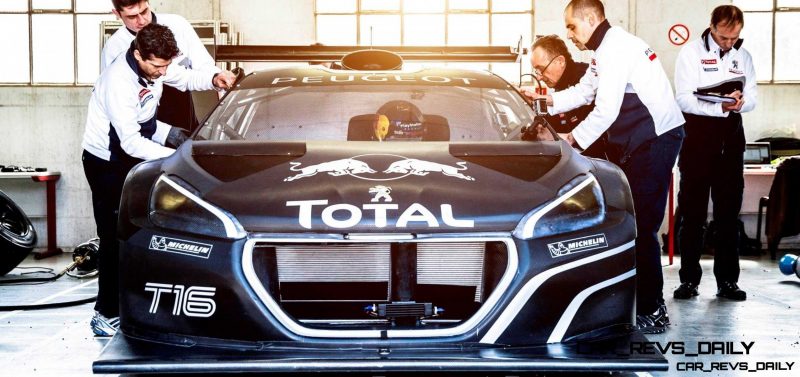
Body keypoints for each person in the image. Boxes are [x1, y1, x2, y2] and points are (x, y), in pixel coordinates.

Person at [524, 0, 685, 334]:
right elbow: (586, 91)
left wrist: (571, 140)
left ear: (589, 18)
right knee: (635, 222)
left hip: (657, 139)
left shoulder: (615, 49)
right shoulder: (604, 49)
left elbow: (606, 110)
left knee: (642, 226)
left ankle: (653, 309)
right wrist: (543, 100)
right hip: (644, 141)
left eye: (571, 26)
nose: (569, 35)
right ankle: (641, 303)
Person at [83, 23, 230, 336]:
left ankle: (140, 304)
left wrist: (214, 78)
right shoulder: (118, 82)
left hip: (132, 150)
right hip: (107, 162)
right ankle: (104, 312)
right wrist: (175, 158)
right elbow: (131, 142)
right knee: (114, 236)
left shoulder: (155, 66)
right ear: (139, 55)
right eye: (158, 66)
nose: (164, 72)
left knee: (146, 231)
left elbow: (183, 80)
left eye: (167, 65)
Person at [672, 5, 757, 301]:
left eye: (734, 38)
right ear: (711, 27)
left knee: (727, 215)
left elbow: (753, 98)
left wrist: (738, 103)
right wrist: (716, 105)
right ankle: (689, 281)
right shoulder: (690, 53)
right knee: (693, 214)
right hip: (697, 140)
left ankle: (727, 282)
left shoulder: (742, 56)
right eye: (724, 37)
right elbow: (683, 99)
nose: (729, 43)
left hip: (731, 141)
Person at [102, 0, 236, 132]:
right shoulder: (114, 48)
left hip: (183, 116)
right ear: (117, 13)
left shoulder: (178, 25)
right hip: (142, 124)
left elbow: (201, 68)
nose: (142, 21)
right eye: (132, 16)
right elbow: (114, 101)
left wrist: (217, 80)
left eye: (144, 11)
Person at [527, 35, 606, 159]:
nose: (539, 77)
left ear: (560, 61)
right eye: (536, 71)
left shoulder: (584, 77)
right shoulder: (562, 85)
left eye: (541, 69)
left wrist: (566, 137)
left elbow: (598, 131)